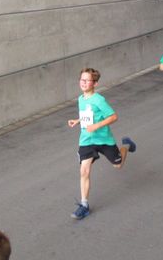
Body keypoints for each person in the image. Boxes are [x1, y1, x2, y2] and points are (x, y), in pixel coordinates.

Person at [67, 67, 136, 220]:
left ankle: (126, 146)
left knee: (118, 165)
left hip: (104, 140)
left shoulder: (99, 100)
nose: (84, 83)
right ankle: (84, 205)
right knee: (84, 171)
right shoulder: (81, 99)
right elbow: (88, 115)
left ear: (95, 83)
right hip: (86, 140)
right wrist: (78, 121)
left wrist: (97, 126)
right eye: (82, 80)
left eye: (87, 80)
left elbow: (113, 116)